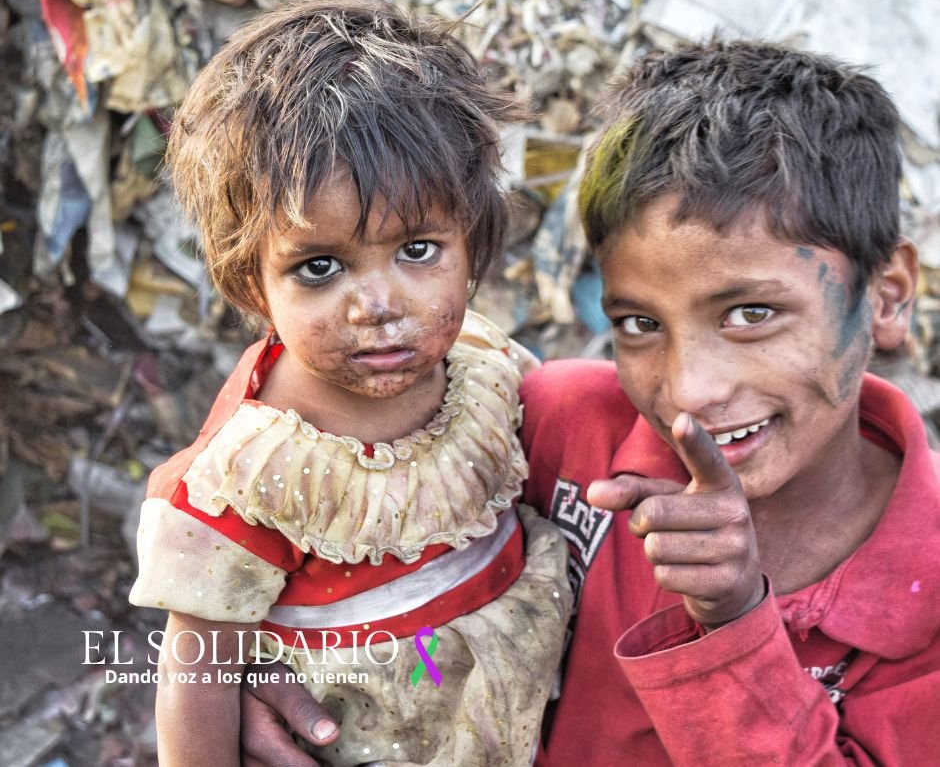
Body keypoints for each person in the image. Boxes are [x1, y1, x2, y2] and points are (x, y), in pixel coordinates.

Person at [239, 39, 940, 765]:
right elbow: (305, 459)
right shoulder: (560, 427)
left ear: (886, 297)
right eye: (639, 324)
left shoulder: (929, 605)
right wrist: (252, 670)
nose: (691, 392)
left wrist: (734, 623)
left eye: (751, 314)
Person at [127, 0, 572, 767]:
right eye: (319, 267)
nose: (378, 306)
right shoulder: (252, 475)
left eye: (419, 250)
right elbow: (198, 675)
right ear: (250, 283)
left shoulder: (485, 365)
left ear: (474, 242)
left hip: (524, 706)